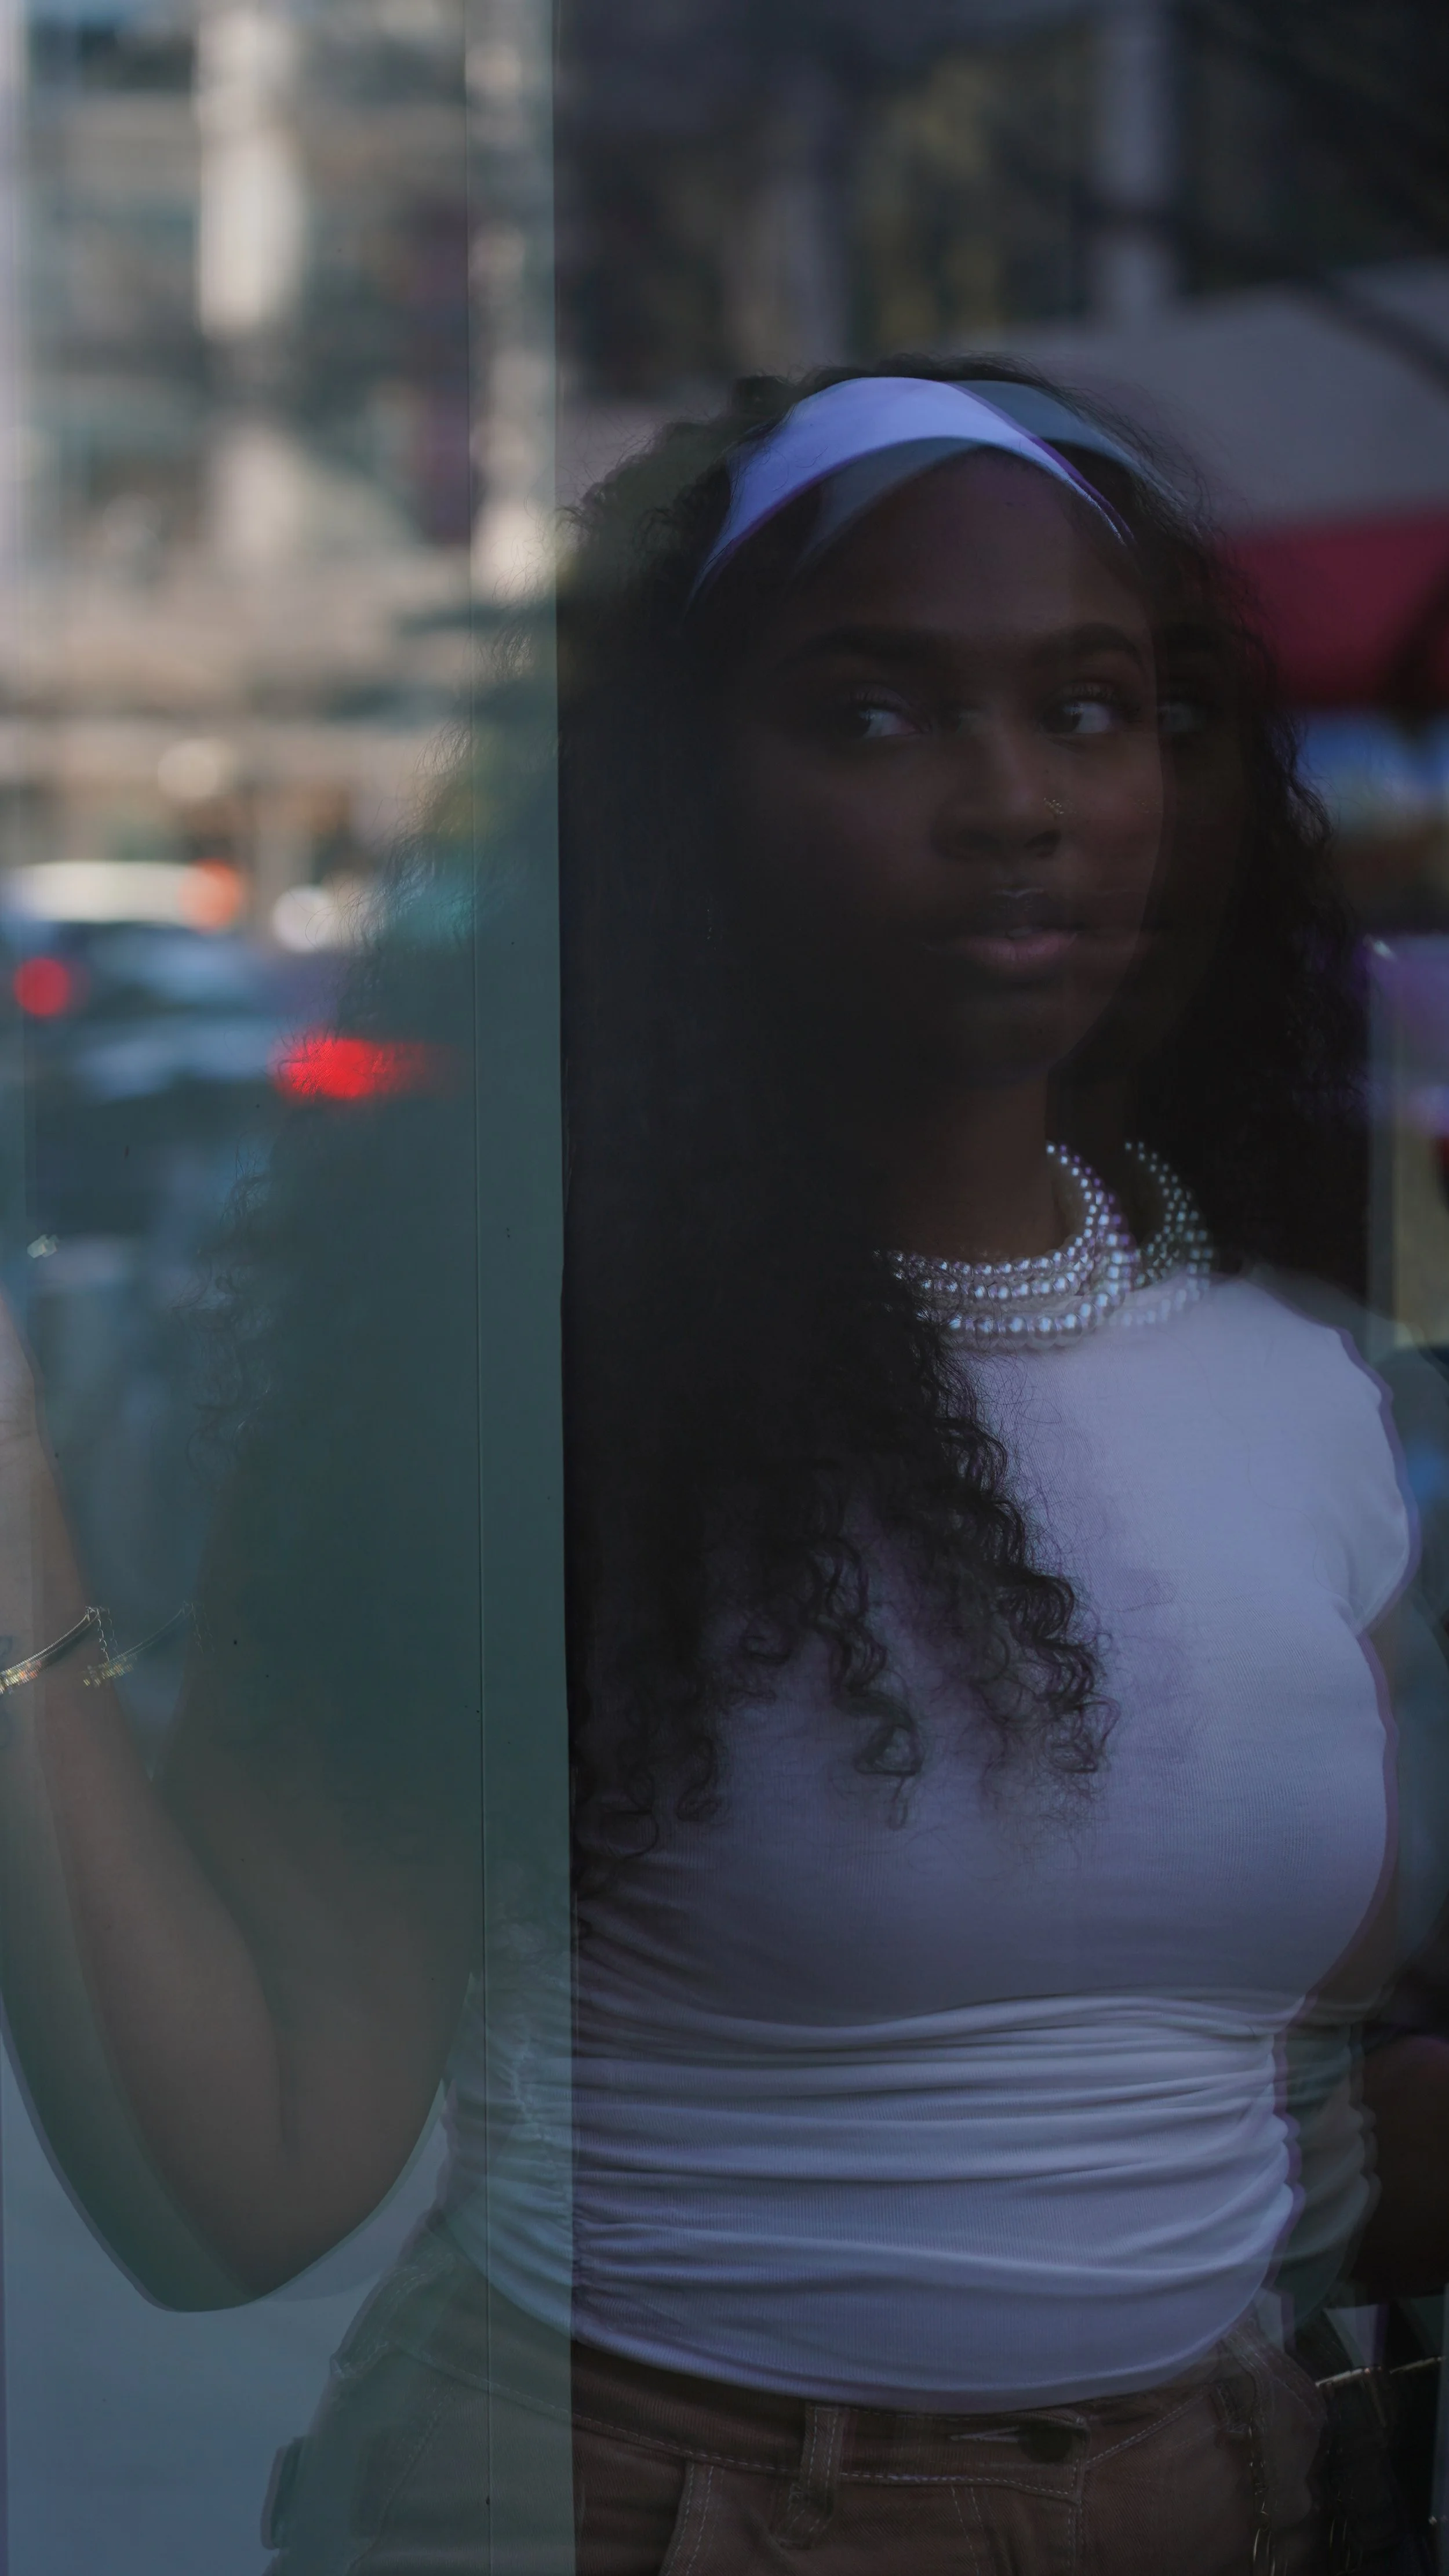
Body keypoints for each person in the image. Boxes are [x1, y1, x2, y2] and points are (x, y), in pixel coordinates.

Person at [0, 359, 1442, 2573]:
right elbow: (242, 2182)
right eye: (873, 715)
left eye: (1087, 708)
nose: (1015, 801)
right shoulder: (522, 1369)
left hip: (1218, 2495)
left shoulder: (1313, 1385)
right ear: (677, 800)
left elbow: (1289, 2112)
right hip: (637, 2509)